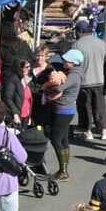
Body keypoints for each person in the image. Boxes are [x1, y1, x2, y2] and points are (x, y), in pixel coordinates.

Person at [43, 49, 85, 181]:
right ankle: (64, 169)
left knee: (56, 139)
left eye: (66, 60)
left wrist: (47, 86)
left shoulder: (73, 76)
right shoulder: (76, 73)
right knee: (64, 139)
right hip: (68, 110)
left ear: (73, 63)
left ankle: (63, 170)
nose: (64, 62)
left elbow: (59, 88)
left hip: (63, 110)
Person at [74, 21, 106, 140]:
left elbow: (73, 63)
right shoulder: (101, 43)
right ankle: (104, 130)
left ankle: (87, 131)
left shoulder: (76, 45)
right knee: (100, 106)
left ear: (80, 31)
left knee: (85, 107)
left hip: (84, 82)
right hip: (99, 80)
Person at [3, 60, 35, 129]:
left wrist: (29, 116)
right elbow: (7, 98)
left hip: (25, 116)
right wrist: (15, 113)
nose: (29, 68)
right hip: (16, 116)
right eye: (27, 67)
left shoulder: (26, 79)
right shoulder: (13, 79)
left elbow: (28, 99)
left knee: (23, 137)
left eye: (29, 66)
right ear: (20, 68)